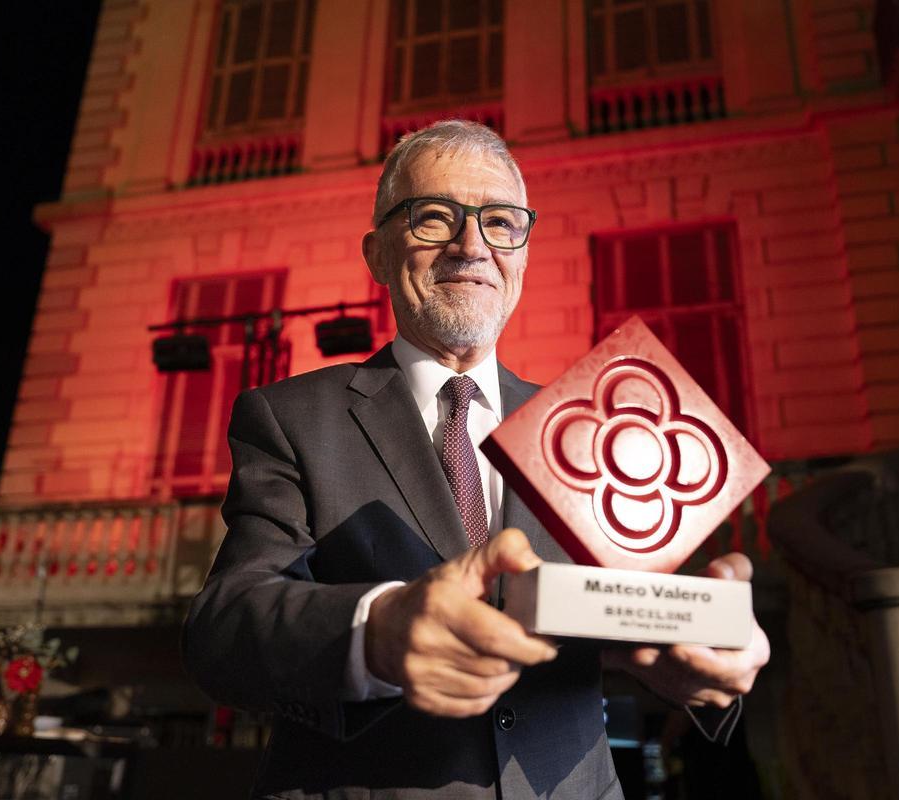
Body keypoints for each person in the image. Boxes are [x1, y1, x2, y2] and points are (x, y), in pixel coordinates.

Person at [182, 120, 770, 800]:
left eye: (500, 222)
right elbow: (223, 627)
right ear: (377, 254)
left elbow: (633, 620)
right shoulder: (290, 416)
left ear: (523, 252)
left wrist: (704, 656)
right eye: (434, 218)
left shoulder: (589, 428)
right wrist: (377, 632)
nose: (472, 246)